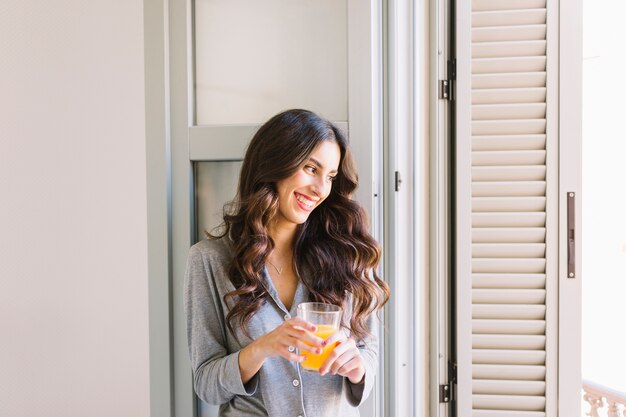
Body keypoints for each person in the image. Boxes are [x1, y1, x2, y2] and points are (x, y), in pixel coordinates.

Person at [184, 109, 389, 417]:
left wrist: (357, 366)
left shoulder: (347, 254)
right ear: (275, 163)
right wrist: (263, 347)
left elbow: (367, 354)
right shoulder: (210, 260)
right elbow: (207, 384)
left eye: (330, 177)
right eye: (311, 168)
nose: (320, 189)